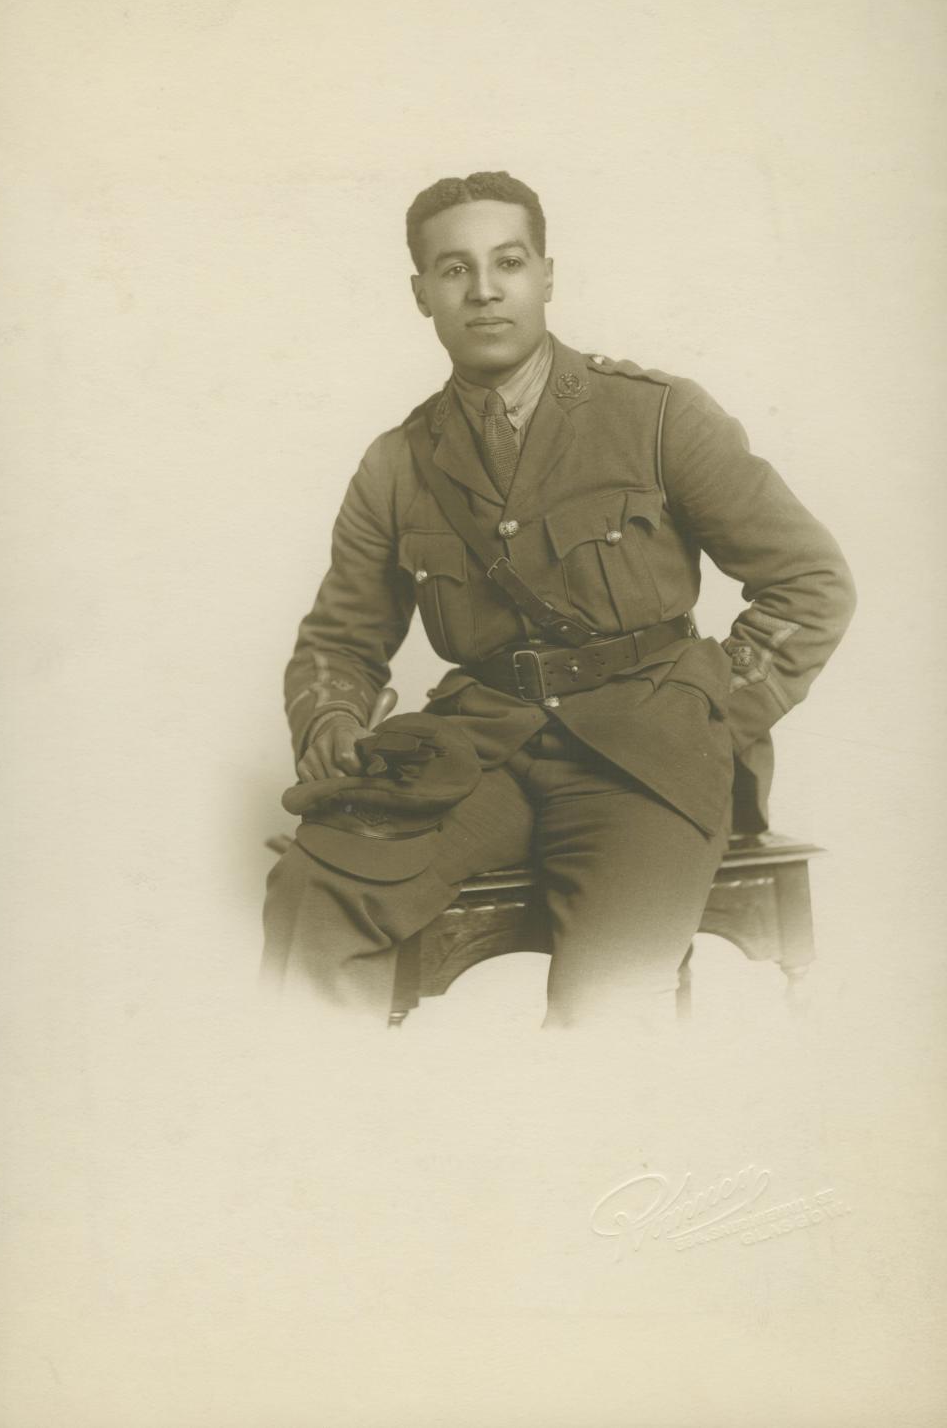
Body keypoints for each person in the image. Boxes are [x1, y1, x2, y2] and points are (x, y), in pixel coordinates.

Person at [261, 170, 855, 1030]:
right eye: (455, 269)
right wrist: (331, 725)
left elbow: (810, 580)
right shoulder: (396, 464)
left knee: (607, 1011)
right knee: (318, 887)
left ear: (546, 275)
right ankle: (316, 1144)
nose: (485, 288)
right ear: (420, 293)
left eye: (508, 261)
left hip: (648, 757)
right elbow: (339, 640)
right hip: (482, 750)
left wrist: (715, 713)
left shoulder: (657, 417)